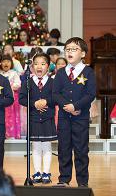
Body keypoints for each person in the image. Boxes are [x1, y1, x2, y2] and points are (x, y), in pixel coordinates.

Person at [53, 37, 96, 187]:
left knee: (81, 150)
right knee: (64, 148)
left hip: (81, 118)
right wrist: (67, 106)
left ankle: (82, 182)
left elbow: (90, 94)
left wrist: (76, 106)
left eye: (74, 49)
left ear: (83, 53)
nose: (70, 52)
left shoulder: (88, 72)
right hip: (64, 117)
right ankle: (64, 179)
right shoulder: (60, 73)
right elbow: (55, 93)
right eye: (67, 49)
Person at [19, 53, 57, 184]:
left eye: (42, 63)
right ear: (32, 67)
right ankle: (37, 172)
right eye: (36, 64)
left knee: (46, 146)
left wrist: (46, 102)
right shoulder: (27, 82)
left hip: (47, 118)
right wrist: (35, 103)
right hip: (34, 118)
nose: (39, 66)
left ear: (48, 66)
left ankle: (46, 172)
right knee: (35, 147)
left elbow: (56, 97)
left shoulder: (53, 82)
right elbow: (22, 99)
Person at [0, 55, 21, 139]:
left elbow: (18, 84)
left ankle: (12, 134)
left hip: (12, 99)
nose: (6, 63)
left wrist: (9, 86)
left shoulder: (14, 73)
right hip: (1, 99)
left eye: (8, 61)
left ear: (11, 63)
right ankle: (3, 134)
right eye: (4, 61)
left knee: (12, 116)